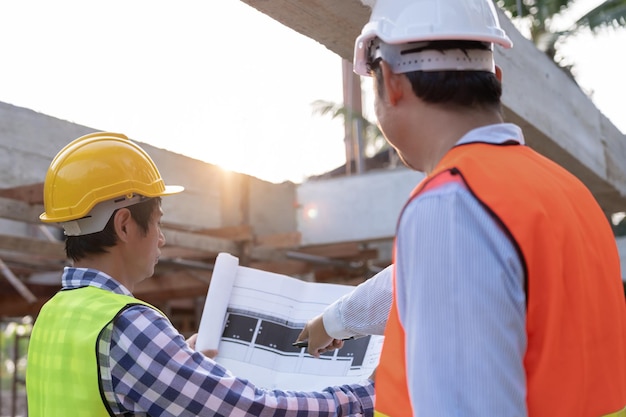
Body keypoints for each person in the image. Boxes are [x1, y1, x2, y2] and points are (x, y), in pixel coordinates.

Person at [297, 0, 626, 415]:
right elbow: (450, 278)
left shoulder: (453, 202)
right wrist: (334, 322)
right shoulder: (565, 192)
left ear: (390, 82)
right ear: (497, 81)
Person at [25, 132, 374, 416]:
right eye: (159, 222)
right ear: (125, 225)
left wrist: (177, 359)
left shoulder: (51, 317)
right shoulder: (130, 327)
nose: (161, 238)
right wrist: (361, 397)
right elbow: (252, 411)